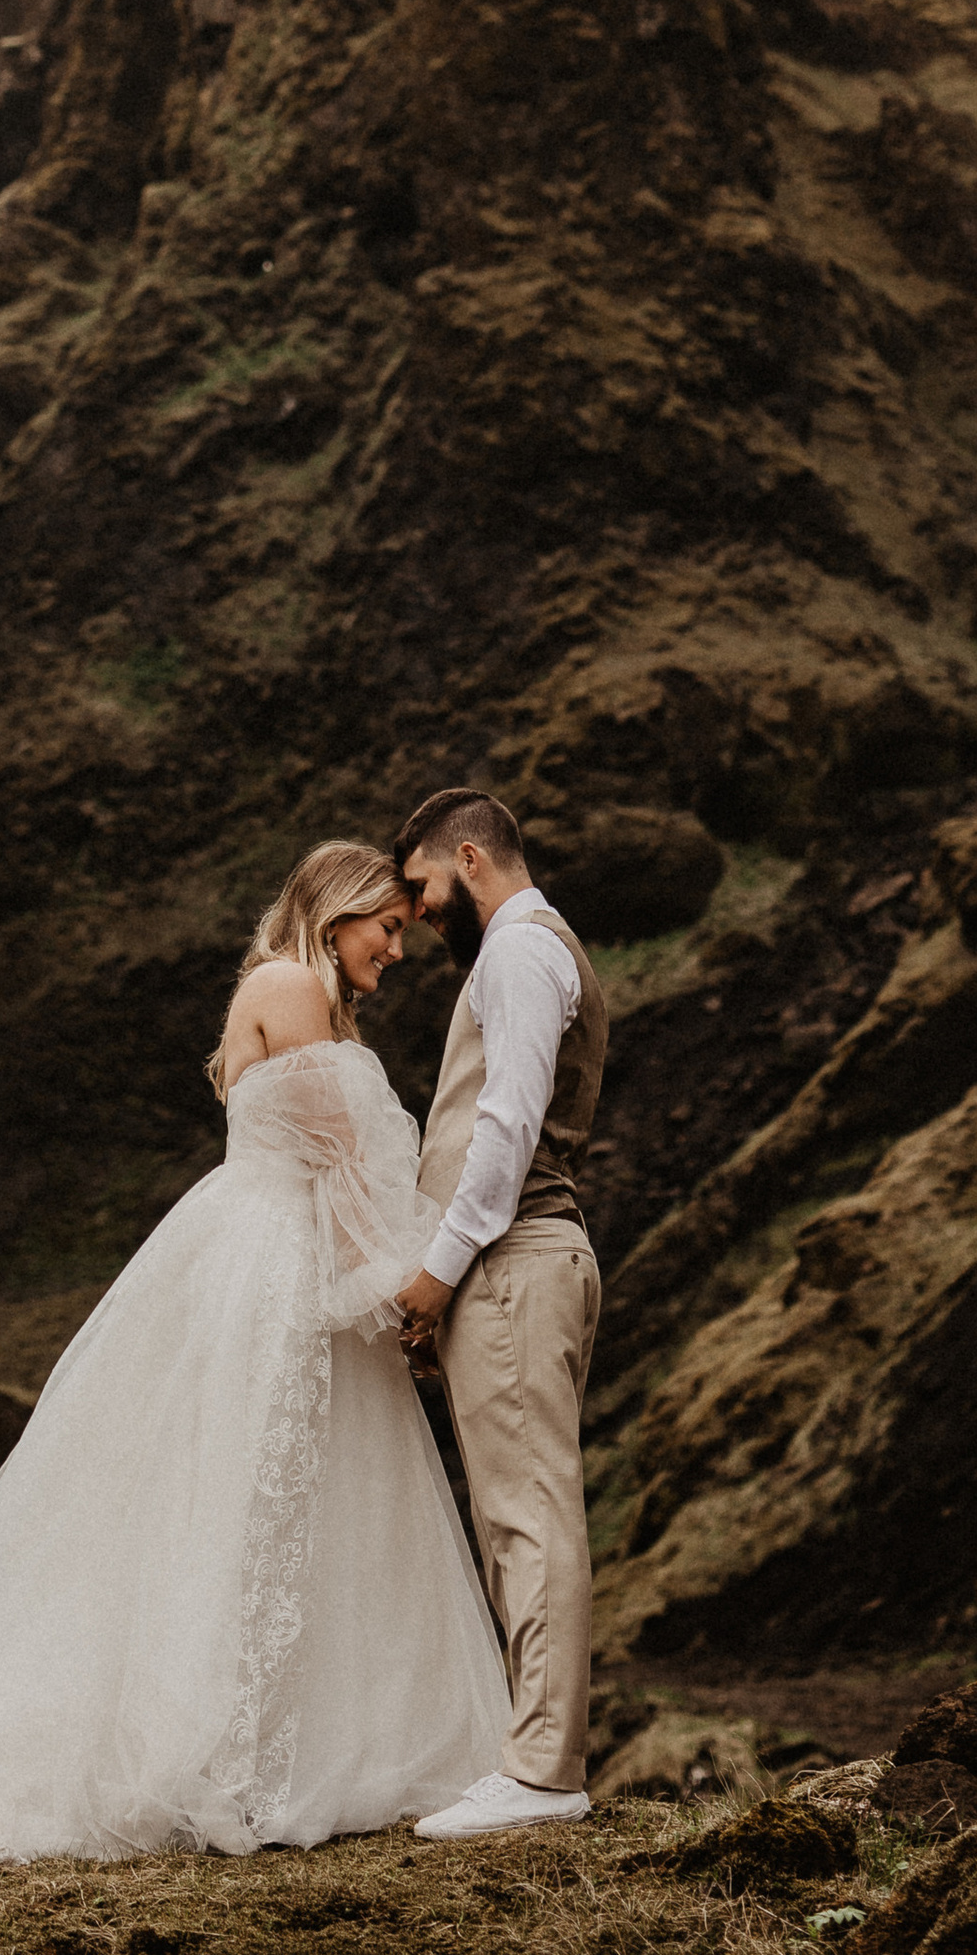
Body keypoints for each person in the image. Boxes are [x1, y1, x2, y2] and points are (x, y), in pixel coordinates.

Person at [0, 842, 509, 1909]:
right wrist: (420, 1294)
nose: (398, 948)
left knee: (297, 1504)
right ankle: (238, 1754)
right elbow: (349, 1178)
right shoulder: (285, 986)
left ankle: (298, 1737)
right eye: (387, 927)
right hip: (270, 1265)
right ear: (336, 916)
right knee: (255, 1498)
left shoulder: (305, 1003)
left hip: (278, 1254)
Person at [388, 788, 608, 1841]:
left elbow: (507, 1126)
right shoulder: (517, 951)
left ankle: (542, 1771)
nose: (422, 915)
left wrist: (435, 1269)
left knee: (530, 1513)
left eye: (425, 890)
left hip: (515, 1256)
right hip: (512, 1262)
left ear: (470, 858)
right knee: (512, 1514)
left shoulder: (519, 950)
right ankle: (531, 1758)